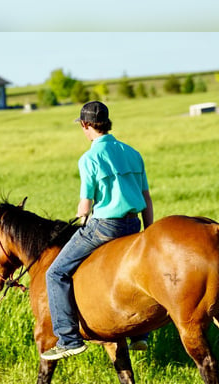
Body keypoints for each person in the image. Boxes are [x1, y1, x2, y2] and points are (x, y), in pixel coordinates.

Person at [41, 101, 154, 360]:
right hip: (133, 224)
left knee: (55, 272)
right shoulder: (132, 152)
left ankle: (69, 340)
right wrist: (148, 231)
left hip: (105, 226)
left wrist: (81, 221)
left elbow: (86, 205)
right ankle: (140, 334)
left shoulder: (89, 158)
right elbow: (146, 197)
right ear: (107, 122)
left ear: (85, 125)